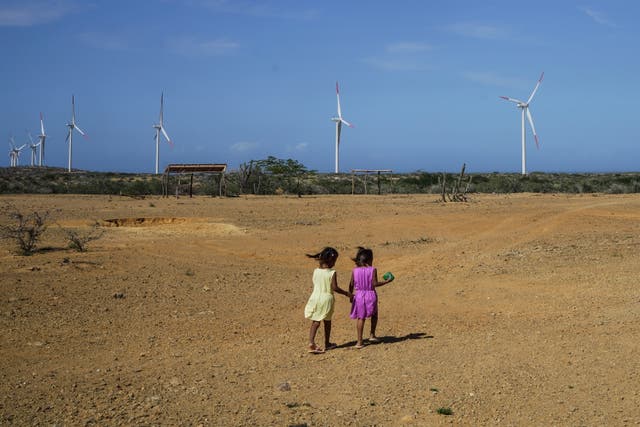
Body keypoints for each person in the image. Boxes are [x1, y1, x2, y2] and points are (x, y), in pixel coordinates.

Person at [304, 247, 351, 354]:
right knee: (327, 321)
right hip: (326, 299)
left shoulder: (316, 271)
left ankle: (311, 343)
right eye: (334, 261)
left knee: (315, 321)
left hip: (315, 297)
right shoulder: (332, 272)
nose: (334, 263)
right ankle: (327, 343)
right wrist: (346, 293)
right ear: (329, 260)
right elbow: (334, 288)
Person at [348, 247, 394, 348]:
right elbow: (375, 283)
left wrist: (350, 295)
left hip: (358, 295)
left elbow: (351, 284)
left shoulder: (355, 270)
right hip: (370, 295)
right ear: (369, 259)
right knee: (374, 314)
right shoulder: (373, 270)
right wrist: (387, 281)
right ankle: (372, 335)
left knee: (361, 318)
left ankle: (359, 342)